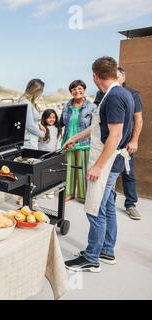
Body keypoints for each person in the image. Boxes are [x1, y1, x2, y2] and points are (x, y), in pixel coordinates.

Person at [64, 57, 134, 272]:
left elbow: (115, 135)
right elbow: (99, 127)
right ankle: (106, 250)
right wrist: (75, 137)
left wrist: (97, 166)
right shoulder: (119, 93)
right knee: (108, 207)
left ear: (95, 76)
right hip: (113, 162)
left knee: (94, 209)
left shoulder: (113, 97)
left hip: (106, 163)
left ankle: (92, 258)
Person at [95, 68, 143, 220]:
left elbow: (138, 119)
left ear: (123, 77)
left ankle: (130, 204)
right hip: (106, 146)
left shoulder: (131, 94)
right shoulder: (102, 94)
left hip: (123, 145)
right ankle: (110, 201)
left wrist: (134, 140)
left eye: (118, 75)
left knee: (127, 174)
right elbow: (99, 119)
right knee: (108, 187)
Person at [59, 80, 96, 202]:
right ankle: (68, 193)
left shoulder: (92, 107)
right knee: (68, 169)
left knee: (82, 170)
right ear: (71, 92)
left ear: (84, 90)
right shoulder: (66, 106)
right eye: (74, 89)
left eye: (80, 88)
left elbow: (94, 127)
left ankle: (82, 196)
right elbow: (60, 123)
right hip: (68, 143)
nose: (77, 91)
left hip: (84, 143)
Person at [39, 109, 62, 199]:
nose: (51, 119)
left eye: (53, 117)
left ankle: (50, 191)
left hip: (52, 153)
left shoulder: (58, 129)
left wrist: (58, 152)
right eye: (49, 117)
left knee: (51, 172)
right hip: (42, 153)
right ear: (44, 118)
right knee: (43, 173)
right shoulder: (42, 128)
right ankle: (43, 190)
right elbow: (39, 140)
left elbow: (58, 142)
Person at [18, 79, 47, 150]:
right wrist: (42, 134)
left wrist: (39, 124)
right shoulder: (25, 102)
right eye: (41, 91)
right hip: (29, 142)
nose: (41, 94)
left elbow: (30, 119)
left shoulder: (29, 102)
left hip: (32, 140)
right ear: (35, 90)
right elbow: (29, 126)